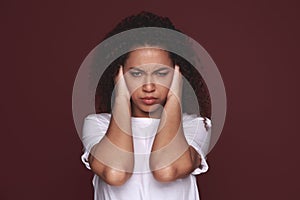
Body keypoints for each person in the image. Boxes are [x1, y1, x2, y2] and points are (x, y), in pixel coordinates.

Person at [81, 11, 212, 200]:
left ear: (178, 74)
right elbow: (115, 173)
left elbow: (166, 169)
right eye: (136, 74)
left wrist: (175, 95)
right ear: (118, 74)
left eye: (161, 73)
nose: (148, 86)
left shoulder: (196, 126)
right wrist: (120, 98)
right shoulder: (98, 125)